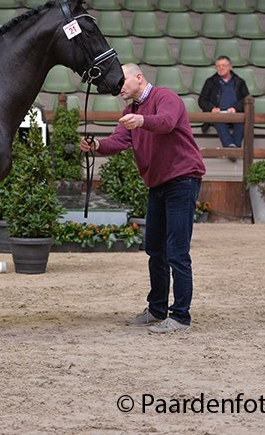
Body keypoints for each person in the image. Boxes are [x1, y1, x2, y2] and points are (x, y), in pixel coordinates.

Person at [81, 63, 205, 334]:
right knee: (155, 249)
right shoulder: (130, 112)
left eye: (123, 80)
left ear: (139, 78)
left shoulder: (165, 97)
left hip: (182, 180)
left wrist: (142, 122)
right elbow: (118, 141)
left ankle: (181, 316)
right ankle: (158, 309)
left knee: (177, 251)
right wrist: (97, 146)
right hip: (159, 183)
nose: (119, 86)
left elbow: (166, 122)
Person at [198, 55, 250, 148]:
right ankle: (231, 146)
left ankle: (233, 149)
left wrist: (235, 108)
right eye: (218, 66)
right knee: (218, 120)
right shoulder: (210, 82)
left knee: (241, 122)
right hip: (218, 114)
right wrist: (212, 108)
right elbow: (202, 100)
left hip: (234, 113)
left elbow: (246, 100)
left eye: (223, 66)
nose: (220, 68)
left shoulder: (239, 82)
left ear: (230, 67)